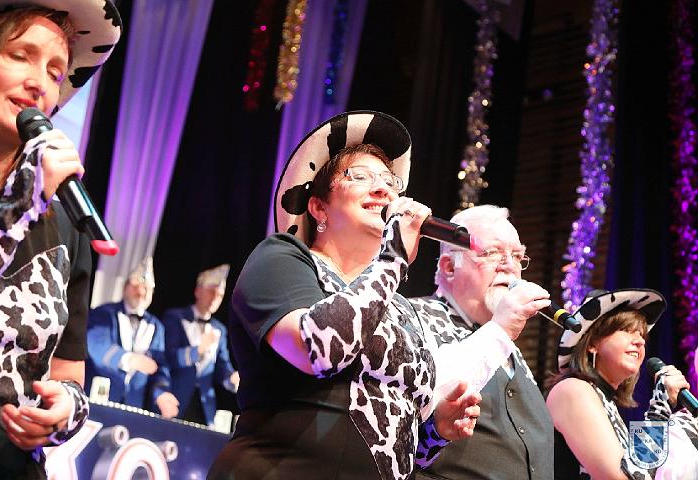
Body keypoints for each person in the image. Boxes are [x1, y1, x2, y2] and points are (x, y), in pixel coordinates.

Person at [209, 111, 519, 480]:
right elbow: (318, 348)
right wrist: (394, 258)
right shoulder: (282, 258)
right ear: (319, 207)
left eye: (389, 181)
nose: (383, 189)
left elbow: (399, 444)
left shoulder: (399, 307)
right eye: (360, 176)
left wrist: (437, 430)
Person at [0, 1, 121, 477]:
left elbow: (68, 375)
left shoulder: (62, 223)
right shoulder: (31, 200)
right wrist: (19, 205)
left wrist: (64, 413)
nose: (39, 82)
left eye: (56, 72)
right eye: (20, 55)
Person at [411, 204, 554, 480]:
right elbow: (410, 424)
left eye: (517, 256)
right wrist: (502, 328)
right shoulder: (414, 318)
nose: (509, 265)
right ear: (449, 266)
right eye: (491, 253)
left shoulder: (508, 344)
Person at [546, 288, 691, 479]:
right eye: (626, 330)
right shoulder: (572, 389)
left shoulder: (604, 401)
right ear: (593, 343)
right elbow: (623, 477)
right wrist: (659, 408)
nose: (639, 341)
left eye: (642, 335)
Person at [86, 257, 179, 419]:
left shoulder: (157, 326)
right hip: (98, 399)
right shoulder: (104, 313)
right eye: (136, 286)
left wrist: (161, 393)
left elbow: (159, 366)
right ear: (125, 287)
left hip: (133, 405)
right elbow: (95, 343)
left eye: (147, 289)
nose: (141, 292)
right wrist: (128, 359)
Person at [161, 264, 240, 427]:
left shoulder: (219, 329)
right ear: (198, 291)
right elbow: (168, 357)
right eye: (211, 291)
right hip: (175, 398)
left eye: (220, 294)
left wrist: (232, 378)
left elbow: (222, 366)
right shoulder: (175, 317)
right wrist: (197, 350)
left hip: (204, 405)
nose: (215, 297)